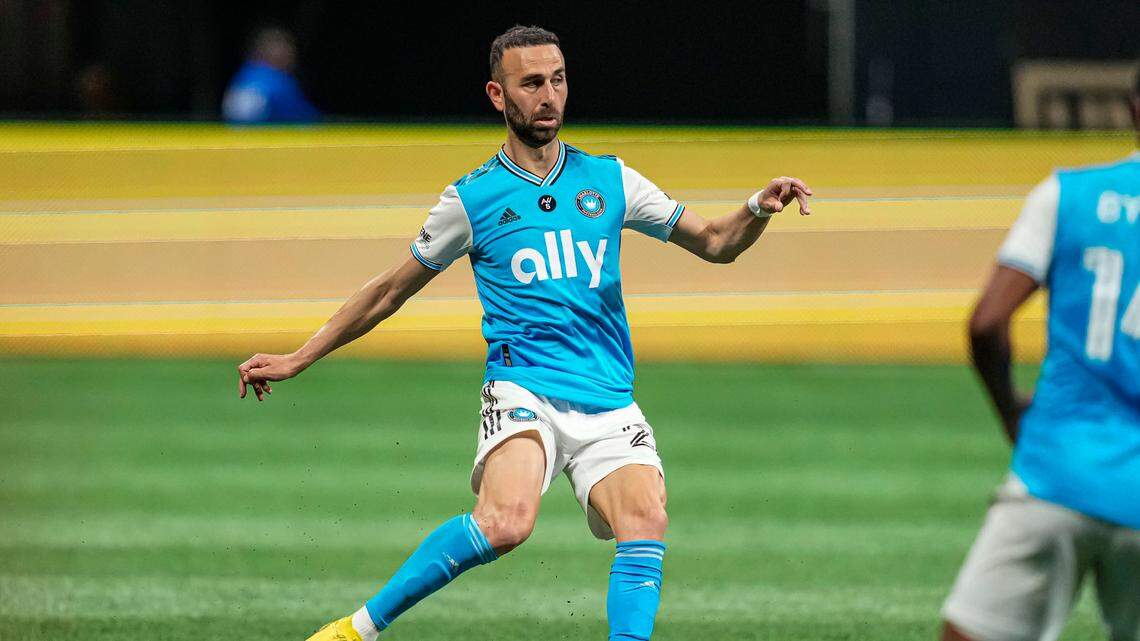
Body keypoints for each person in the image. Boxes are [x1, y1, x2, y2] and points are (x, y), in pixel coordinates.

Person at [237, 25, 812, 641]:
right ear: (497, 95)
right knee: (507, 522)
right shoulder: (473, 198)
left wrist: (755, 208)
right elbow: (388, 290)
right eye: (531, 83)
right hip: (523, 389)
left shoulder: (610, 180)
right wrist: (300, 357)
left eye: (557, 80)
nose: (548, 96)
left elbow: (716, 243)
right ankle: (356, 630)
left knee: (646, 518)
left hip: (607, 395)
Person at [940, 64, 1140, 641]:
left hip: (1059, 471)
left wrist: (1010, 412)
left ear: (1132, 110)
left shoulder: (1068, 193)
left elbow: (987, 323)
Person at [222, 26, 319, 124]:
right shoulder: (276, 82)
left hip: (234, 138)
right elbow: (308, 120)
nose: (291, 54)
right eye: (284, 48)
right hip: (264, 137)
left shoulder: (242, 76)